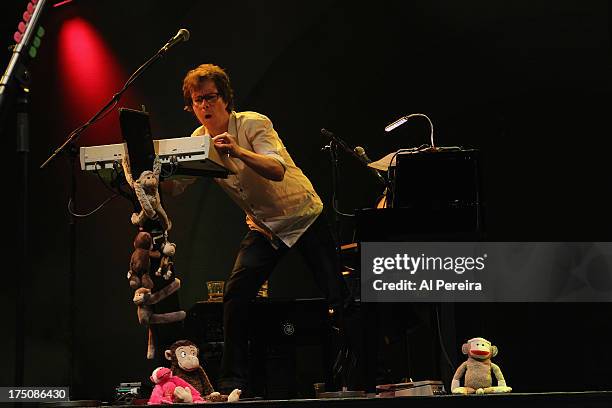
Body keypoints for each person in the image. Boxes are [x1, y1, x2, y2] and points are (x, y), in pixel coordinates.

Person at [181, 64, 350, 395]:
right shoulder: (198, 142)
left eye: (210, 97)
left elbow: (275, 169)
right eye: (196, 100)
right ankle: (232, 382)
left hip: (302, 216)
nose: (204, 106)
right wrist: (145, 180)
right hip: (264, 227)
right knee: (236, 295)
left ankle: (353, 376)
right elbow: (179, 186)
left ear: (226, 98)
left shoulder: (254, 123)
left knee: (337, 295)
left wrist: (238, 151)